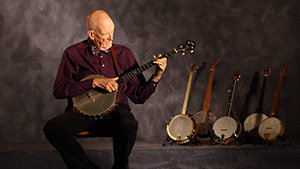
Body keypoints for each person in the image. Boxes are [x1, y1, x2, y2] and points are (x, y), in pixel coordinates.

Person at [43, 9, 167, 169]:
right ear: (91, 34)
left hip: (115, 113)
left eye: (112, 32)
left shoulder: (124, 54)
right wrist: (93, 83)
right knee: (53, 128)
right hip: (82, 114)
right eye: (105, 34)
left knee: (128, 124)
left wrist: (156, 76)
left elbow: (139, 97)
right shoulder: (73, 53)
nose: (111, 37)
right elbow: (59, 90)